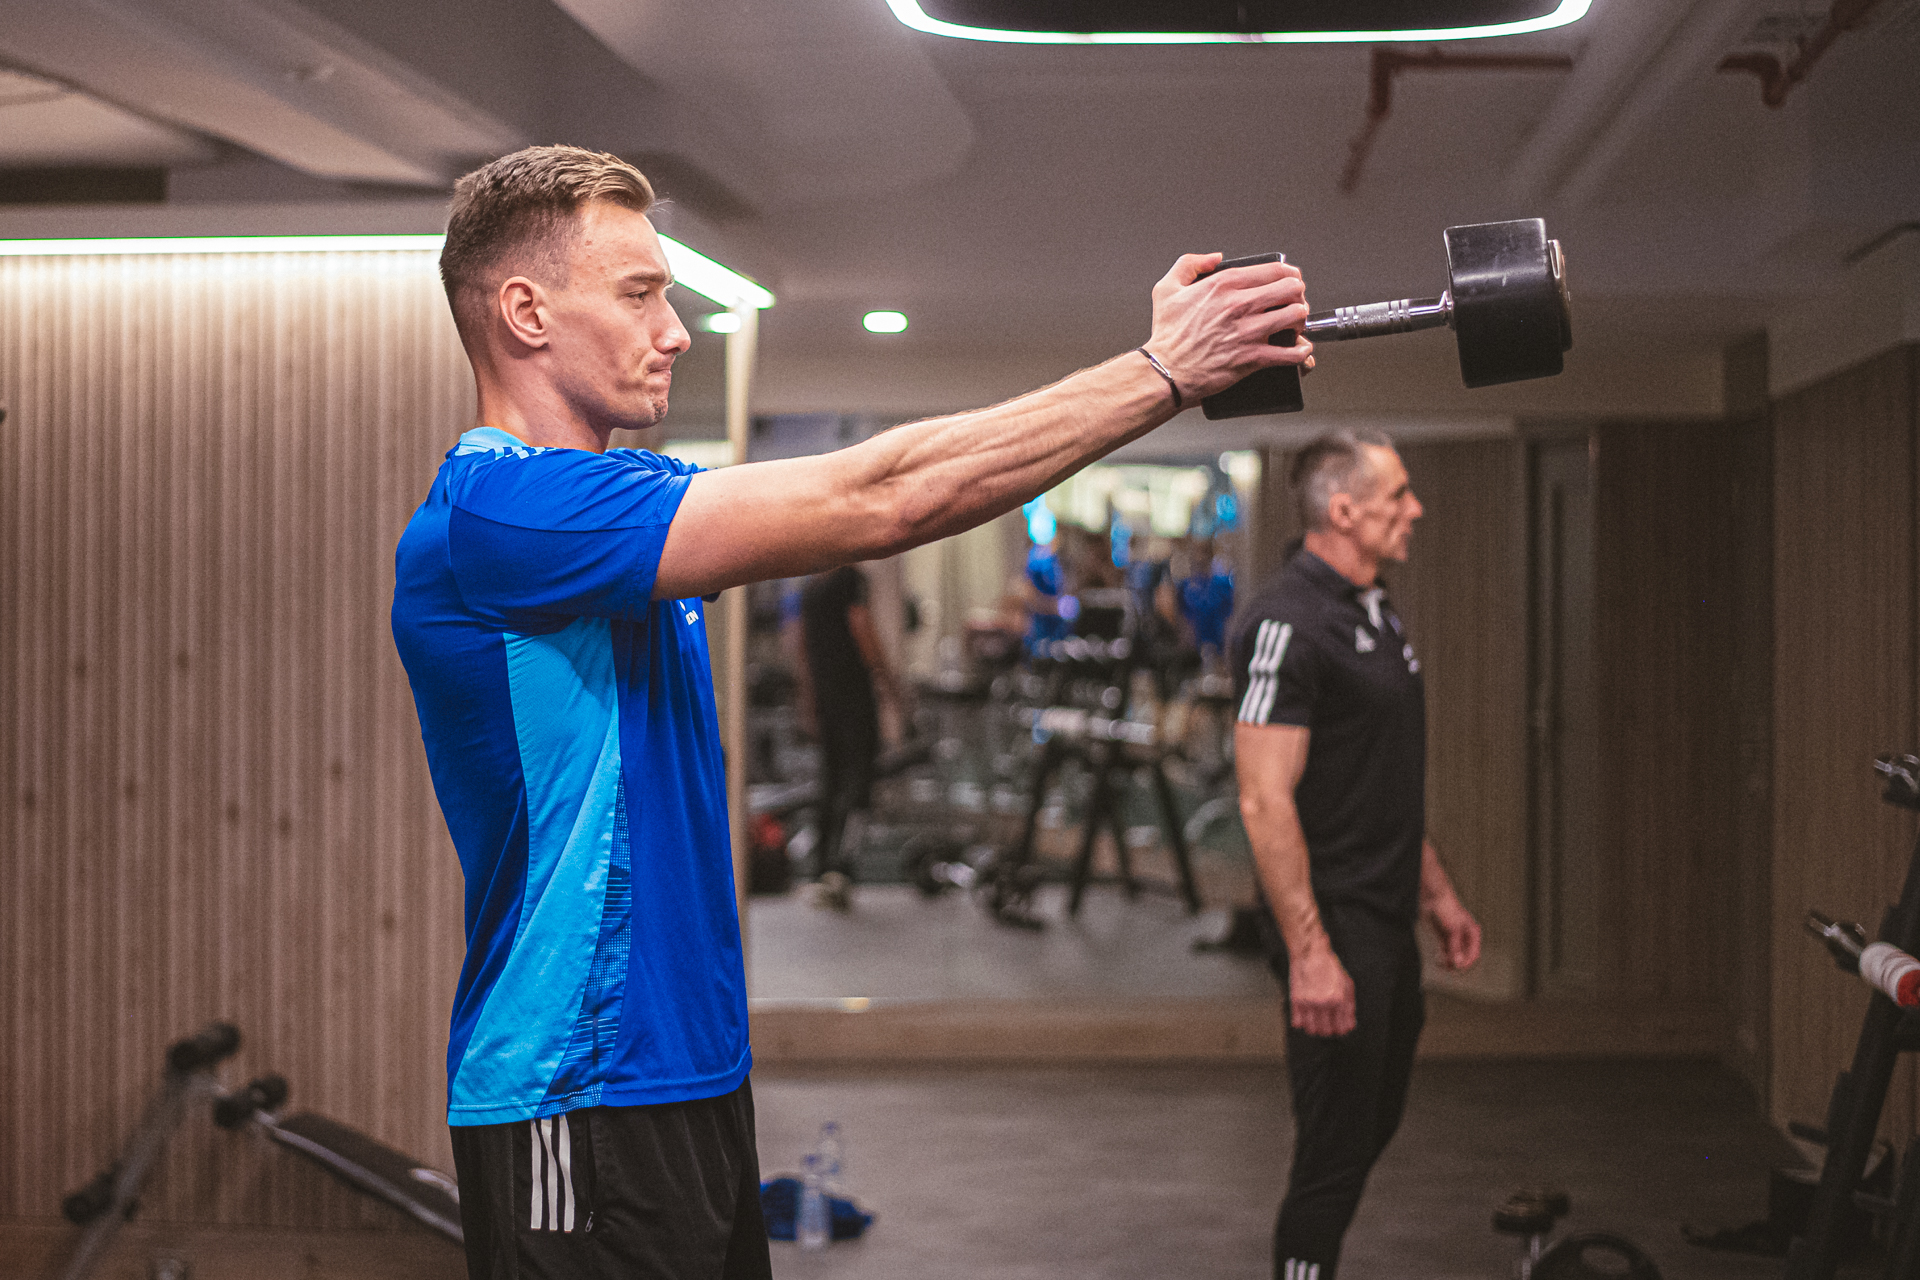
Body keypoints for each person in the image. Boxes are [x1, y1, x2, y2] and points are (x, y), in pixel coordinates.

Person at [388, 144, 1314, 1280]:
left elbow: (881, 491)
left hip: (687, 1073)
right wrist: (1161, 371)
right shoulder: (500, 514)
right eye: (639, 294)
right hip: (574, 1088)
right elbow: (882, 495)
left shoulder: (613, 501)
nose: (675, 331)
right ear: (526, 312)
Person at [1230, 429, 1482, 1280]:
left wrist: (1437, 894)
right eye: (1398, 494)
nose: (1415, 509)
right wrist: (1310, 953)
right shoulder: (1286, 623)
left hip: (1384, 913)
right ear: (1343, 511)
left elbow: (1380, 780)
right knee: (1334, 1152)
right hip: (1333, 920)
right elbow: (1263, 799)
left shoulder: (1373, 609)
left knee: (1369, 1123)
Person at [795, 562, 903, 908]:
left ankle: (822, 868)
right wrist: (888, 682)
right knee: (859, 780)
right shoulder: (850, 580)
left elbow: (800, 644)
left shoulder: (811, 586)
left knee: (830, 778)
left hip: (826, 694)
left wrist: (808, 697)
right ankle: (841, 868)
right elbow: (861, 626)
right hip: (854, 692)